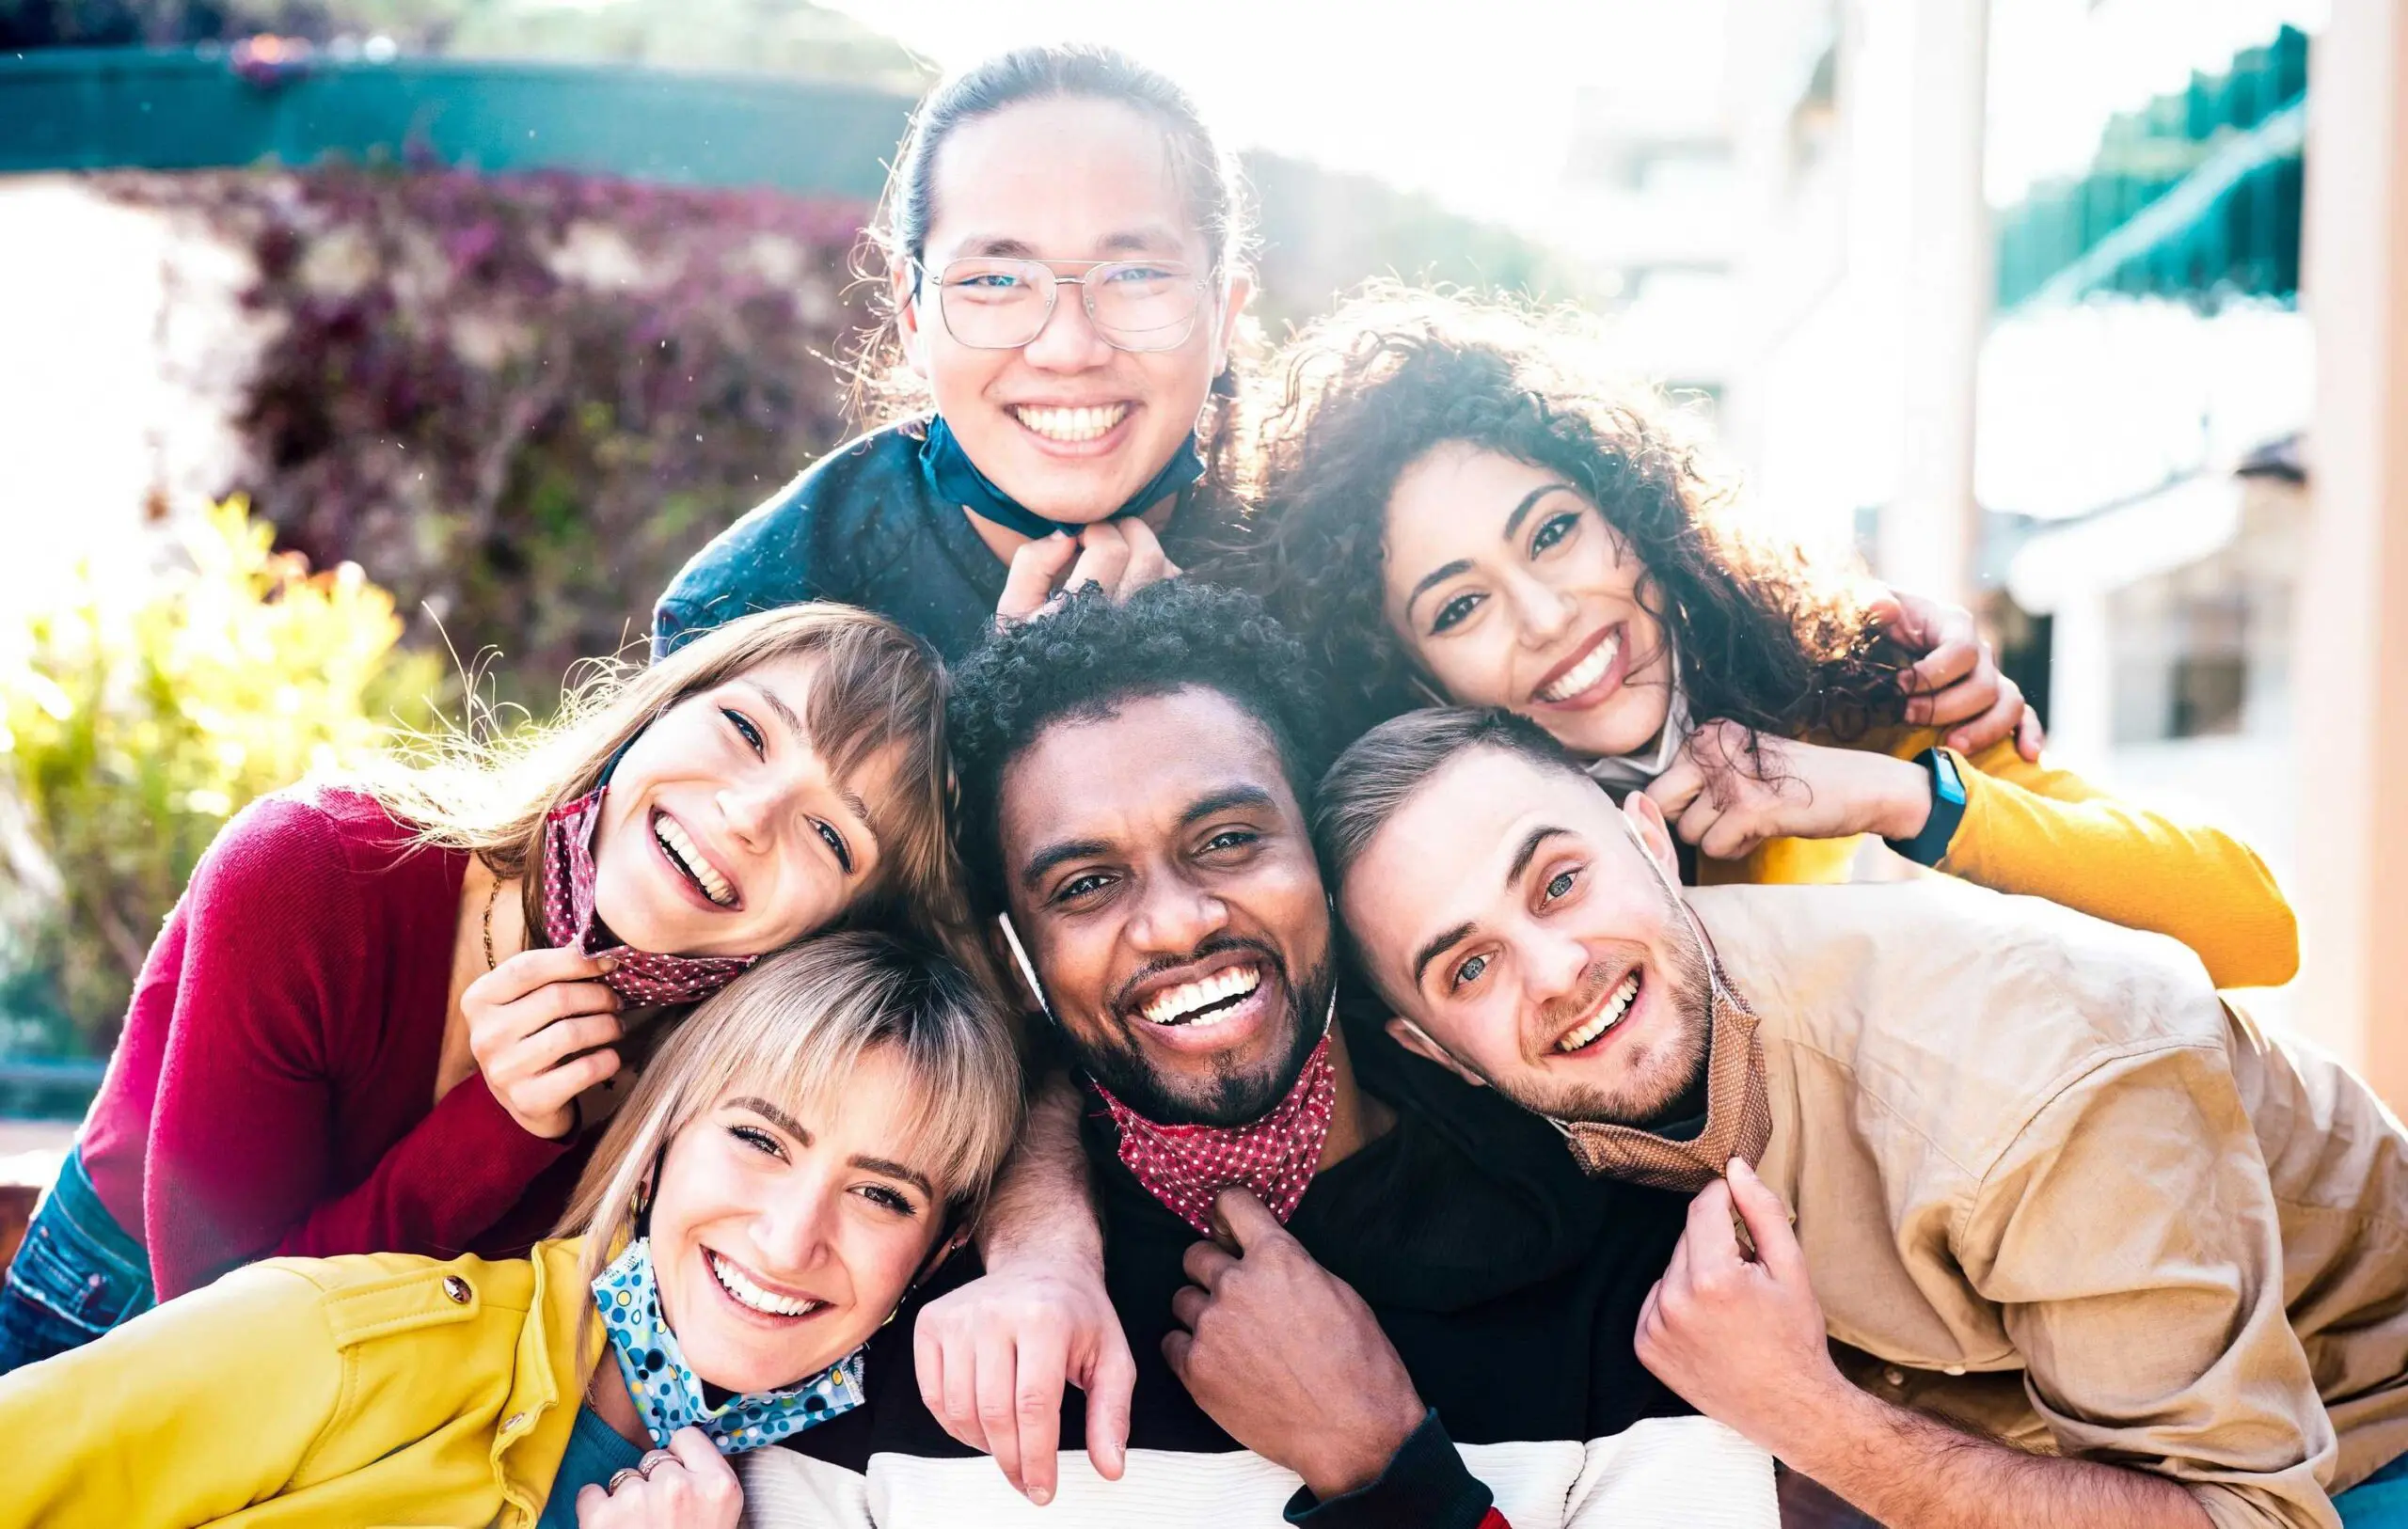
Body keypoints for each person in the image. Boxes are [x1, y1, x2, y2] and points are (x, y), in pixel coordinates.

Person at [737, 581, 1778, 1528]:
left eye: (1228, 840)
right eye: (1085, 886)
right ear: (1019, 958)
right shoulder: (879, 1284)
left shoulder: (1634, 1277)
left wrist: (1384, 1470)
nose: (1177, 924)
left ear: (1323, 867)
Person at [1313, 704, 2408, 1529]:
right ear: (1430, 1050)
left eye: (1557, 883)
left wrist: (1812, 1419)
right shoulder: (1552, 1119)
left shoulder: (2028, 1076)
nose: (1554, 972)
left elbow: (2253, 1519)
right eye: (1468, 968)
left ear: (1649, 839)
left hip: (2366, 1449)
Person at [1237, 287, 2296, 989]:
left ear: (1631, 509)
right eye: (1458, 608)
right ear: (1406, 671)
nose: (1549, 617)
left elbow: (2252, 929)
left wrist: (1895, 797)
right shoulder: (1425, 879)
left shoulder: (1849, 676)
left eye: (1554, 533)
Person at [0, 604, 961, 1375]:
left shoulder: (737, 1097)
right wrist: (498, 1131)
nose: (750, 815)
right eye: (745, 730)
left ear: (838, 931)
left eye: (832, 836)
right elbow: (214, 1344)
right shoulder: (306, 872)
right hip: (110, 1316)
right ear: (661, 707)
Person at [0, 933, 1019, 1529]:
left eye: (881, 1194)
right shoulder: (347, 1345)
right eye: (759, 1138)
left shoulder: (845, 1495)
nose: (792, 1239)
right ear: (661, 1141)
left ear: (931, 1255)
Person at [651, 43, 1255, 663]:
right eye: (995, 280)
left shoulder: (1329, 567)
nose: (1069, 349)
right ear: (912, 313)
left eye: (1134, 275)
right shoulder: (750, 619)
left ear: (1223, 315)